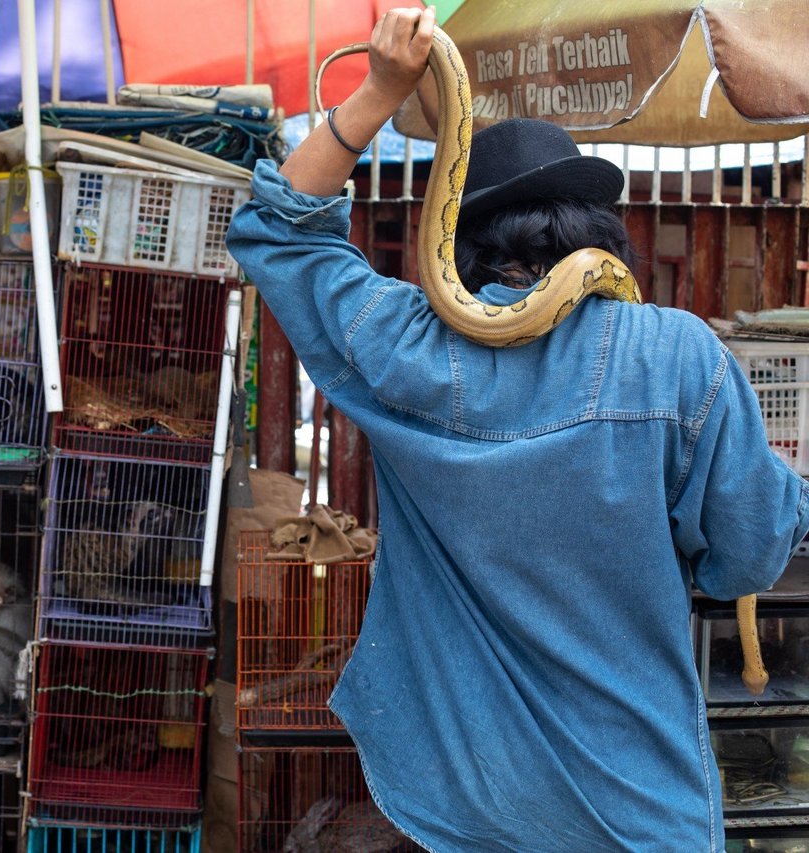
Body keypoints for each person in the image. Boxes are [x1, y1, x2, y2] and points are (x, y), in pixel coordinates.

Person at [225, 6, 809, 852]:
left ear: (452, 246)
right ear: (595, 230)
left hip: (463, 810)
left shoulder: (404, 351)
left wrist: (380, 90)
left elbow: (279, 227)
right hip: (637, 811)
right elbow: (749, 552)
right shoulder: (677, 354)